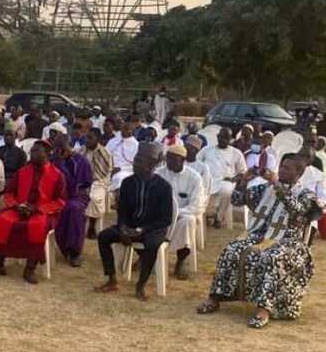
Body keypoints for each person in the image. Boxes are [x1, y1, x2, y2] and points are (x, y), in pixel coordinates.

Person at [197, 154, 319, 328]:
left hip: (288, 241)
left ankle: (264, 309)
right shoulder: (265, 189)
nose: (281, 170)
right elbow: (237, 199)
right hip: (259, 235)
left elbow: (296, 210)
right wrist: (244, 181)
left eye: (287, 168)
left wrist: (276, 184)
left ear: (298, 174)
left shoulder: (306, 195)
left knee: (272, 258)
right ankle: (215, 298)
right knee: (231, 249)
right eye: (281, 166)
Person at [94, 143, 174, 301]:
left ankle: (141, 285)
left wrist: (142, 230)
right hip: (130, 226)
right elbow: (122, 210)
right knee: (103, 236)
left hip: (152, 229)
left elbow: (166, 219)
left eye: (139, 161)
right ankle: (112, 280)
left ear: (151, 164)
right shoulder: (127, 183)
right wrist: (123, 228)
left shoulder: (163, 187)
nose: (135, 164)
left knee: (152, 245)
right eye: (136, 160)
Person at [0, 140, 66, 285]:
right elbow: (9, 193)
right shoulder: (22, 171)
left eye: (36, 151)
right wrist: (17, 205)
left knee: (36, 226)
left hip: (42, 211)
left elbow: (60, 201)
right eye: (31, 151)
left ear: (46, 154)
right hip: (19, 208)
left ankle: (30, 268)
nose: (32, 154)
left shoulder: (57, 175)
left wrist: (37, 208)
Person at [156, 142, 205, 280]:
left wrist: (176, 214)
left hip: (181, 217)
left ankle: (180, 262)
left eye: (173, 159)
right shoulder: (158, 174)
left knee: (189, 221)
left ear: (183, 160)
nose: (168, 162)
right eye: (168, 158)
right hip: (159, 217)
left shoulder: (194, 177)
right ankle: (144, 257)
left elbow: (197, 205)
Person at [49, 128, 93, 267]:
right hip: (56, 196)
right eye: (57, 148)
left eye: (63, 148)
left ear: (70, 146)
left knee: (73, 209)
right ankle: (63, 247)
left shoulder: (80, 161)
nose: (60, 152)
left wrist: (61, 165)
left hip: (77, 196)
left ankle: (75, 252)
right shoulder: (52, 160)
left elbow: (75, 187)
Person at [199, 127, 248, 226]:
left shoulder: (236, 153)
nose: (223, 140)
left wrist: (234, 179)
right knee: (199, 191)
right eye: (221, 137)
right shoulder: (207, 150)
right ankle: (205, 216)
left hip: (225, 181)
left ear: (230, 139)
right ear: (217, 137)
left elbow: (243, 172)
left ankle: (219, 218)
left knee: (227, 191)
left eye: (226, 138)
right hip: (206, 180)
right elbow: (197, 162)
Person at [79, 126, 113, 237]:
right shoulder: (82, 150)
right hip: (82, 181)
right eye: (86, 137)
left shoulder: (104, 153)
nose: (87, 140)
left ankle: (92, 226)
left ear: (97, 139)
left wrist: (90, 180)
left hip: (99, 181)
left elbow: (104, 172)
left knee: (93, 197)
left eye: (90, 138)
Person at [106, 118, 139, 193]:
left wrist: (120, 168)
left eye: (126, 129)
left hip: (125, 170)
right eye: (122, 129)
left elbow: (136, 165)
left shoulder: (136, 145)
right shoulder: (113, 140)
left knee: (118, 179)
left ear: (132, 131)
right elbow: (104, 154)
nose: (123, 131)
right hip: (108, 167)